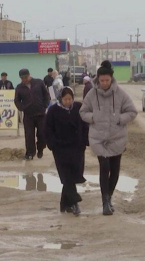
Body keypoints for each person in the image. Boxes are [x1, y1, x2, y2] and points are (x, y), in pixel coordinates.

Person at [80, 61, 137, 216]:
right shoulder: (91, 94)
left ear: (111, 79)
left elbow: (132, 111)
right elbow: (83, 112)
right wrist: (93, 117)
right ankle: (105, 202)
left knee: (115, 170)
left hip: (117, 137)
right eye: (101, 80)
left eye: (107, 80)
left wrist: (120, 118)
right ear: (97, 79)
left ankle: (109, 196)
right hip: (98, 138)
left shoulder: (120, 94)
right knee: (104, 167)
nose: (104, 83)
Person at [46, 87, 88, 216]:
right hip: (61, 148)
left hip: (77, 147)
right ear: (60, 99)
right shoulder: (53, 110)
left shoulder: (78, 108)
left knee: (75, 173)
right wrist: (52, 144)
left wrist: (84, 141)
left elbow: (85, 125)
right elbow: (47, 129)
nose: (68, 102)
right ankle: (74, 202)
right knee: (66, 175)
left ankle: (64, 203)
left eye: (70, 99)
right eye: (65, 99)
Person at [14, 69, 50, 160]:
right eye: (22, 78)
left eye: (26, 77)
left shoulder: (39, 83)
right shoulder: (19, 87)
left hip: (41, 114)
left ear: (29, 75)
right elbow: (17, 100)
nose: (25, 79)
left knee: (42, 134)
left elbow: (46, 95)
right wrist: (22, 107)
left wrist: (44, 105)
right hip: (28, 115)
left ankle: (40, 148)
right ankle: (30, 153)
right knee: (29, 136)